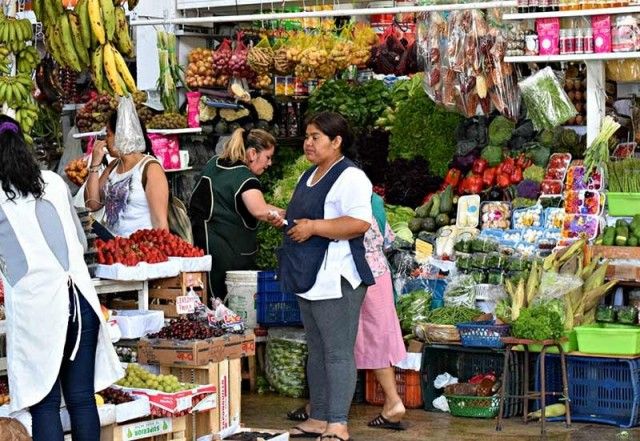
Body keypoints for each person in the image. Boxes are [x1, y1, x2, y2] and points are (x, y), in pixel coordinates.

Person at [0, 115, 123, 441]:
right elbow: (80, 244)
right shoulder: (52, 183)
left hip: (40, 309)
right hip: (81, 302)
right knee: (81, 398)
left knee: (45, 403)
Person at [280, 112, 374, 441]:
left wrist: (315, 228)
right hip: (309, 276)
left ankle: (338, 423)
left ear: (337, 142)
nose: (308, 142)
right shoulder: (310, 174)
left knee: (337, 352)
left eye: (316, 137)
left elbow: (360, 223)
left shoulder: (351, 178)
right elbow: (301, 217)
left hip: (338, 277)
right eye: (307, 136)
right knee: (317, 350)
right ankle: (319, 417)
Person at [286, 195, 407, 432]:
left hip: (356, 276)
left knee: (338, 344)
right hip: (379, 273)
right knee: (376, 338)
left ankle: (324, 410)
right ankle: (391, 401)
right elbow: (387, 239)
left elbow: (333, 236)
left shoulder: (345, 202)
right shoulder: (377, 202)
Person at [189, 128, 284, 301]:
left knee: (208, 303)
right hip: (229, 255)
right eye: (268, 157)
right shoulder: (246, 179)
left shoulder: (214, 163)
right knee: (228, 306)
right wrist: (288, 214)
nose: (269, 163)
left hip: (201, 245)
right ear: (253, 153)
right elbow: (260, 210)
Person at [84, 111, 169, 237]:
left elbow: (160, 221)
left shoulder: (150, 168)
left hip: (140, 247)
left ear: (121, 135)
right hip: (115, 247)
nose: (105, 140)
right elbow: (92, 204)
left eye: (108, 134)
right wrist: (95, 164)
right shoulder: (113, 166)